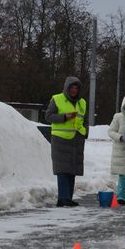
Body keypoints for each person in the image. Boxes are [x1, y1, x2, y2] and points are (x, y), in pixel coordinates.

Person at [45, 76, 88, 207]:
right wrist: (64, 117)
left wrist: (85, 132)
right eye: (72, 88)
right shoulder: (57, 99)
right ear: (66, 88)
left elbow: (85, 120)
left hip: (76, 140)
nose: (74, 90)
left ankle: (67, 198)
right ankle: (63, 198)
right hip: (60, 140)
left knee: (72, 170)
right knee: (63, 170)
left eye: (76, 88)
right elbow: (48, 116)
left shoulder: (82, 102)